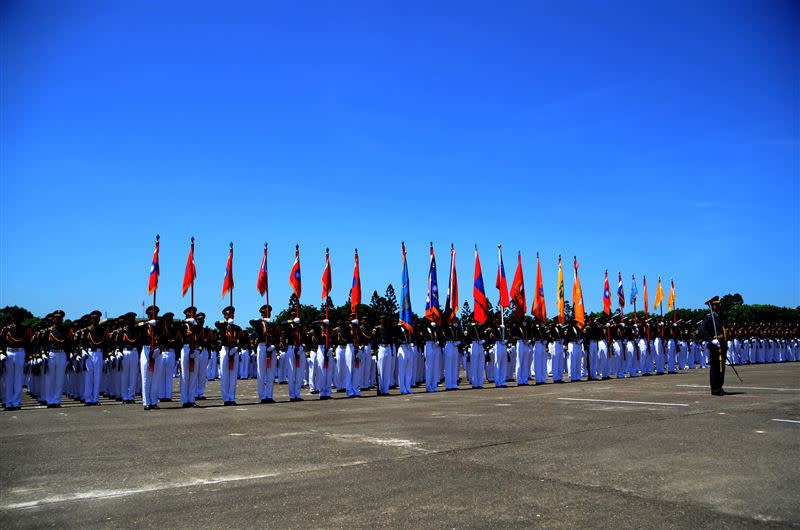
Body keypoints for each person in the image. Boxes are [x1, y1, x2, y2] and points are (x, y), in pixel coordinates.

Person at [2, 312, 32, 410]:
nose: (16, 319)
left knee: (18, 379)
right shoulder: (7, 329)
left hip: (20, 352)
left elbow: (28, 344)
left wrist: (28, 356)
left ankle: (16, 403)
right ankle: (8, 402)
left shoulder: (25, 329)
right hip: (9, 353)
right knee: (9, 379)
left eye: (19, 317)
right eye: (15, 317)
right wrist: (1, 352)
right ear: (12, 318)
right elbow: (1, 341)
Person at [216, 306, 243, 405]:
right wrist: (227, 323)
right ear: (225, 316)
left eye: (232, 314)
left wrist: (237, 347)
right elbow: (217, 324)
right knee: (225, 375)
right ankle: (226, 398)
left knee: (233, 376)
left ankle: (232, 398)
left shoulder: (237, 328)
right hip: (225, 350)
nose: (230, 316)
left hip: (233, 351)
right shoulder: (221, 325)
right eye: (228, 314)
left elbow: (243, 339)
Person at [700, 296, 727, 396]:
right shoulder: (708, 317)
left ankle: (720, 386)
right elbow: (702, 330)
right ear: (712, 305)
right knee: (715, 367)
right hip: (714, 345)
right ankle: (715, 389)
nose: (719, 306)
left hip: (721, 344)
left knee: (722, 368)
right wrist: (711, 340)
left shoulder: (719, 317)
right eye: (716, 305)